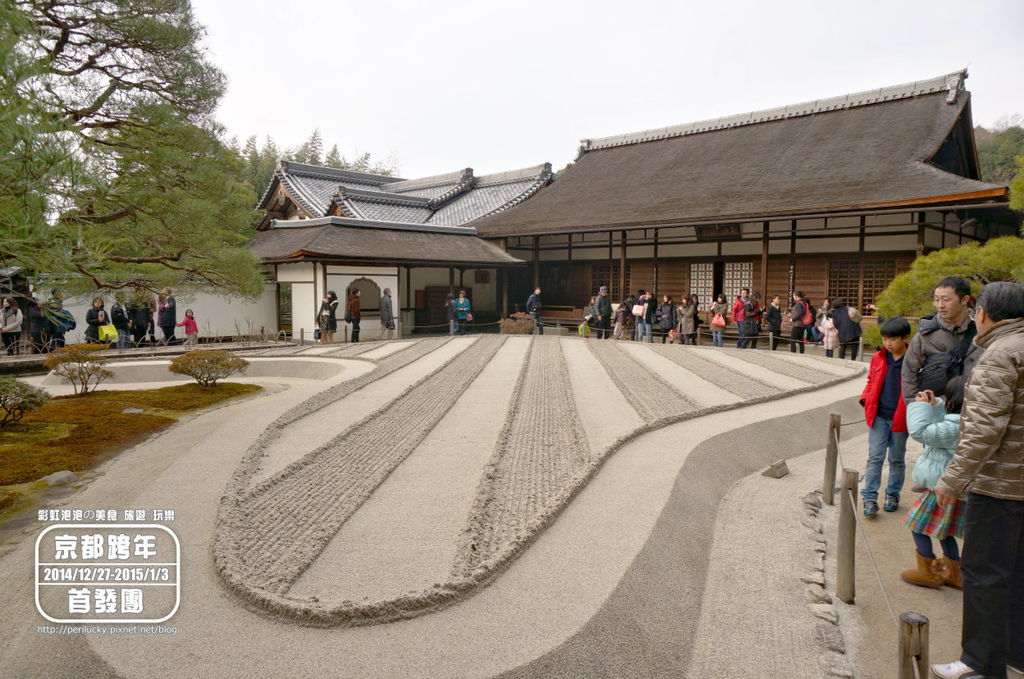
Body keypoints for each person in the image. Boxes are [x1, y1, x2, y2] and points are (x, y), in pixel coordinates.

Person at [931, 281, 1024, 679]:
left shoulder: (1000, 354)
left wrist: (952, 480)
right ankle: (1014, 656)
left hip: (1000, 483)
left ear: (982, 312)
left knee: (984, 573)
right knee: (1016, 573)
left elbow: (984, 431)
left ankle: (980, 664)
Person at [899, 377, 966, 590]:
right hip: (951, 488)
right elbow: (942, 425)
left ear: (953, 401)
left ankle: (927, 571)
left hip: (940, 488)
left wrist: (919, 406)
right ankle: (954, 573)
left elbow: (921, 432)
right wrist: (935, 406)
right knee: (943, 531)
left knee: (917, 525)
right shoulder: (963, 423)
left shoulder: (953, 429)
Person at [858, 317, 911, 517]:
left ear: (905, 338)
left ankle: (892, 494)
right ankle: (869, 497)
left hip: (901, 418)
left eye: (893, 339)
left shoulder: (913, 360)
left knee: (896, 459)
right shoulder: (878, 358)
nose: (888, 343)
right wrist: (865, 398)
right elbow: (871, 380)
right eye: (885, 339)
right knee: (875, 458)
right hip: (879, 415)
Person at [902, 276, 981, 406]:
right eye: (937, 300)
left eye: (946, 299)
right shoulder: (926, 334)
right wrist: (914, 407)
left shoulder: (981, 330)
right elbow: (908, 374)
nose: (940, 305)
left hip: (972, 410)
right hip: (934, 408)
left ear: (964, 299)